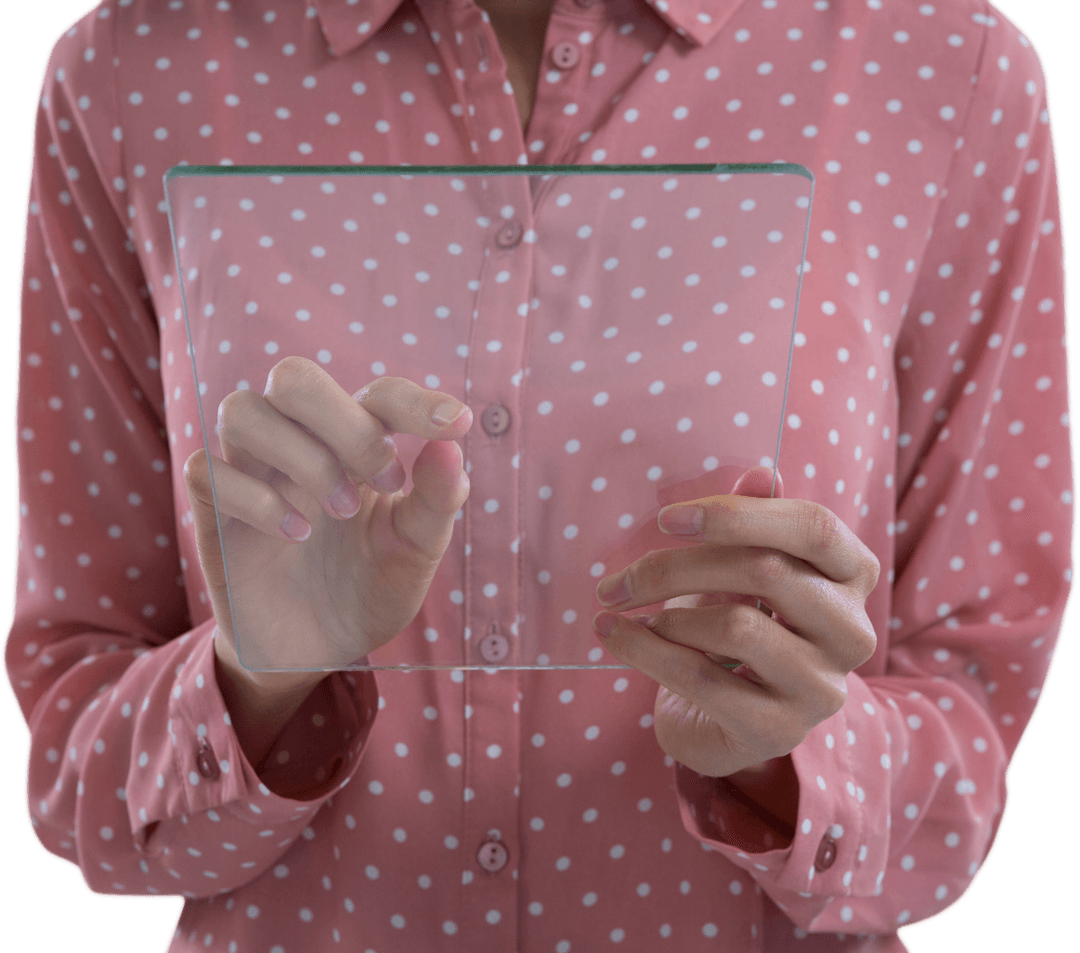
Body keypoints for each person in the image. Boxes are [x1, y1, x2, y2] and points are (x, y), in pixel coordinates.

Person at [3, 1, 1072, 951]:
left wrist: (788, 755)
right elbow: (71, 759)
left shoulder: (945, 65)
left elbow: (968, 751)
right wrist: (257, 679)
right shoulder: (131, 71)